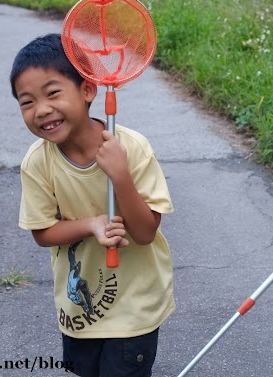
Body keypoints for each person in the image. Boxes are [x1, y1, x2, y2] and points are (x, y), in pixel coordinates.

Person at [11, 33, 174, 377]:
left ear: (87, 90)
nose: (41, 110)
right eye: (26, 102)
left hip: (134, 307)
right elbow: (42, 231)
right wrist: (92, 224)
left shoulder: (132, 148)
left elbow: (145, 232)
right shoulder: (38, 162)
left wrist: (121, 177)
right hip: (80, 313)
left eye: (53, 93)